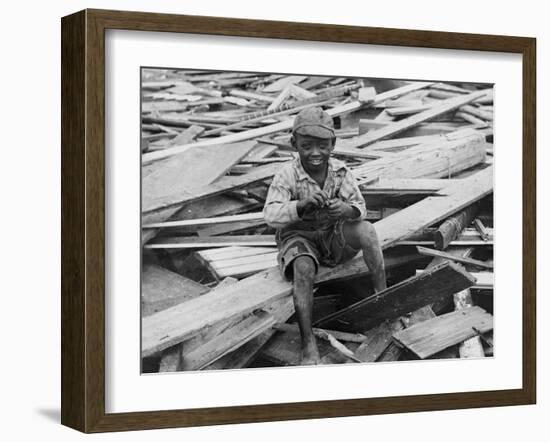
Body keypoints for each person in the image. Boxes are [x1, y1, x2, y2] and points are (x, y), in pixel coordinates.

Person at [263, 106, 387, 365]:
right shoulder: (286, 175)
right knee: (304, 267)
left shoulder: (341, 172)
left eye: (322, 146)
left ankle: (383, 300)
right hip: (300, 239)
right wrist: (300, 205)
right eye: (306, 146)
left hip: (332, 237)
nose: (315, 153)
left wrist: (345, 210)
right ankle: (308, 342)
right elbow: (271, 215)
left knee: (367, 230)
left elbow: (360, 207)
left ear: (333, 144)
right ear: (293, 144)